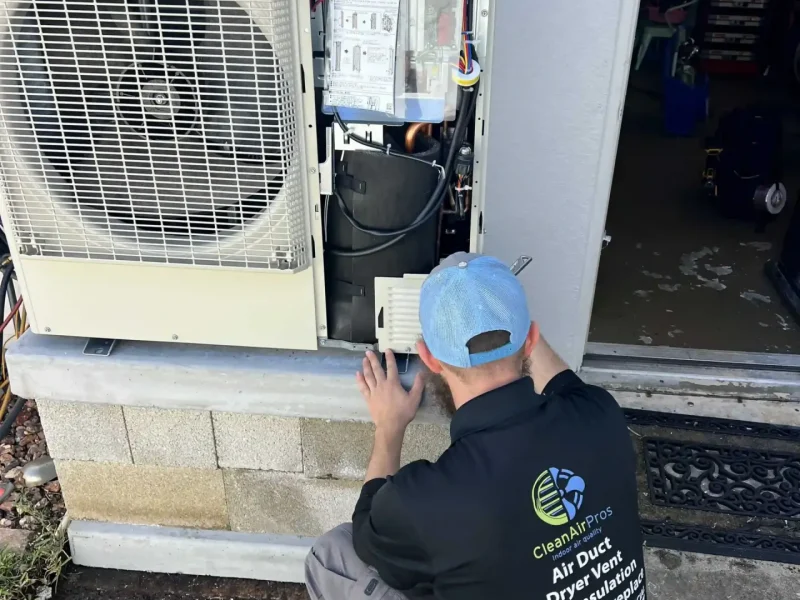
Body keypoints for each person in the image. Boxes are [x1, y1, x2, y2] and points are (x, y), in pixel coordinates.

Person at [305, 253, 646, 600]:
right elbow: (556, 374)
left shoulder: (424, 500)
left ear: (427, 357)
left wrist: (389, 426)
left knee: (333, 553)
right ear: (530, 338)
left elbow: (367, 534)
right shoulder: (599, 414)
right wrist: (497, 301)